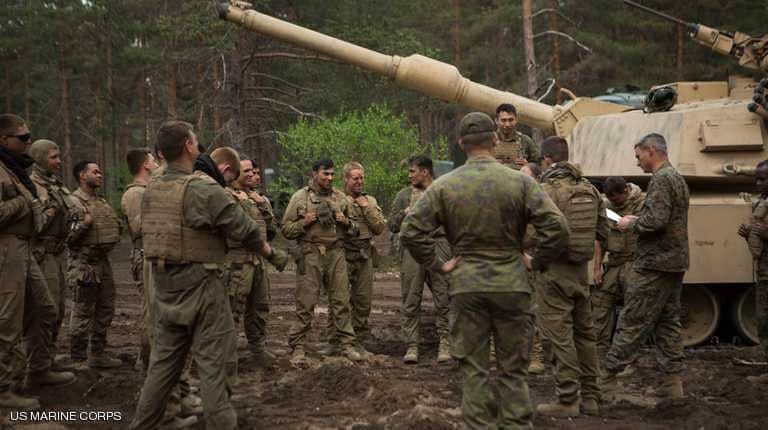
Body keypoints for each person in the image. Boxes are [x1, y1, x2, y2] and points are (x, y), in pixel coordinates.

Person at [400, 112, 569, 429]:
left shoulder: (445, 186)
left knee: (474, 370)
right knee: (513, 369)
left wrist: (440, 263)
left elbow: (411, 231)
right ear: (494, 140)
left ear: (462, 144)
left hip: (467, 286)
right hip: (513, 284)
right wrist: (536, 260)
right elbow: (557, 228)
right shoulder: (520, 182)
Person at [130, 121, 276, 430]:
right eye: (196, 141)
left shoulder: (151, 186)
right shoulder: (201, 188)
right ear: (188, 146)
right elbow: (245, 228)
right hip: (201, 286)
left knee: (162, 369)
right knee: (217, 367)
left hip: (164, 287)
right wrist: (272, 253)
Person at [604, 133, 690, 402]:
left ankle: (605, 381)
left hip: (654, 263)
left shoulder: (662, 179)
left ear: (651, 151)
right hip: (672, 262)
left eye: (639, 154)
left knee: (632, 320)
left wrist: (632, 223)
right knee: (667, 322)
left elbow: (657, 220)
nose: (637, 160)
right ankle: (672, 384)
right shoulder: (676, 177)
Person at [0, 114, 75, 409]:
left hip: (23, 247)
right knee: (7, 320)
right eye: (23, 138)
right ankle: (4, 390)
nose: (28, 142)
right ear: (4, 139)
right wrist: (26, 203)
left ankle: (37, 369)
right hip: (6, 250)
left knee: (44, 307)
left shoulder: (13, 169)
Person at [533, 136, 607, 417]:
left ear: (547, 160)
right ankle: (591, 398)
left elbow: (530, 233)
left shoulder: (546, 190)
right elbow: (603, 232)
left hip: (553, 272)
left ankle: (567, 399)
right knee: (585, 335)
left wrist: (532, 256)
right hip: (581, 272)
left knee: (559, 337)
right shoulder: (589, 189)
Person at [281, 158, 364, 363]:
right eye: (325, 173)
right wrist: (304, 222)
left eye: (332, 174)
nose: (329, 177)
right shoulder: (300, 198)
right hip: (310, 254)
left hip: (336, 254)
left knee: (341, 301)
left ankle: (346, 344)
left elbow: (356, 229)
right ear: (314, 174)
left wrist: (345, 222)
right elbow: (286, 229)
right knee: (306, 302)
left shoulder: (341, 198)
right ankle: (298, 346)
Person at [211, 149, 285, 366]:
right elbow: (234, 227)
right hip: (236, 261)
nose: (253, 174)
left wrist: (262, 204)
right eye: (247, 171)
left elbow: (271, 231)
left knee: (260, 307)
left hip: (258, 260)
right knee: (232, 309)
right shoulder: (225, 194)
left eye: (254, 170)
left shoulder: (257, 198)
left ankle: (258, 348)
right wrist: (245, 201)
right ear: (234, 172)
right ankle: (226, 355)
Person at [389, 155, 452, 364]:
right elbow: (392, 225)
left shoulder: (442, 191)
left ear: (425, 171)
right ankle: (412, 345)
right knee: (410, 298)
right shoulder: (404, 195)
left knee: (445, 296)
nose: (409, 175)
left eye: (412, 171)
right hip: (413, 249)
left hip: (439, 246)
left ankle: (446, 342)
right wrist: (404, 214)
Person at [67, 160, 122, 369]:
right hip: (84, 264)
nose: (100, 175)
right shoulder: (73, 202)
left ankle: (98, 354)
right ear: (82, 175)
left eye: (100, 171)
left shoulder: (101, 202)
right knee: (82, 311)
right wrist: (84, 225)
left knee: (106, 308)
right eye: (95, 172)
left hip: (103, 262)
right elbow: (66, 237)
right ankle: (78, 359)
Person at [29, 139, 74, 370]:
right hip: (42, 254)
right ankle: (38, 365)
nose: (58, 161)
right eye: (53, 157)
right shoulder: (33, 185)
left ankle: (49, 357)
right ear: (38, 158)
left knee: (59, 309)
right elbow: (35, 224)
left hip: (58, 254)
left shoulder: (55, 184)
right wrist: (53, 209)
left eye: (58, 156)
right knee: (44, 310)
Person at [592, 177, 644, 363]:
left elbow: (657, 222)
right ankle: (599, 356)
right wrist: (597, 267)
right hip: (614, 262)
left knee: (632, 312)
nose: (613, 202)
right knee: (599, 305)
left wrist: (634, 220)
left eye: (616, 199)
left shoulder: (642, 202)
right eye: (610, 199)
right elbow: (600, 239)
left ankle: (628, 358)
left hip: (634, 262)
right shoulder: (606, 206)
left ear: (625, 192)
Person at [340, 161, 385, 352]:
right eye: (355, 178)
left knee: (363, 302)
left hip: (364, 256)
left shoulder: (370, 201)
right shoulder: (338, 199)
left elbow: (379, 227)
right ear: (346, 179)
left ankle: (357, 341)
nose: (360, 182)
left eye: (362, 178)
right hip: (342, 255)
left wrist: (366, 207)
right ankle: (339, 342)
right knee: (339, 301)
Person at [120, 148, 159, 370]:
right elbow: (138, 227)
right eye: (153, 161)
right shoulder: (136, 193)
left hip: (151, 253)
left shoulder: (147, 191)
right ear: (145, 164)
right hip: (143, 254)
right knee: (150, 310)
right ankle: (146, 360)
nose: (155, 164)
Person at [739, 159, 768, 385]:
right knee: (763, 320)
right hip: (764, 270)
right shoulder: (762, 202)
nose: (758, 183)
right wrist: (749, 233)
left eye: (763, 179)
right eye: (756, 178)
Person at [494, 103, 540, 169]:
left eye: (511, 120)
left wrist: (528, 165)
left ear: (516, 120)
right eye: (503, 120)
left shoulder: (525, 140)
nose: (507, 124)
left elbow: (539, 164)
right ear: (496, 121)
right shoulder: (489, 140)